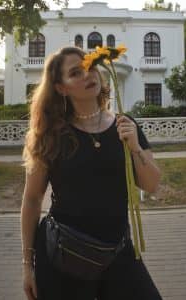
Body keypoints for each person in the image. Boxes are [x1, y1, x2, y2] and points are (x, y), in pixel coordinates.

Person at [21, 46, 163, 300]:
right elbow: (32, 199)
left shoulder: (125, 125)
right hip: (64, 256)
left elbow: (152, 185)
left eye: (90, 67)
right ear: (61, 87)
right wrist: (27, 266)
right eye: (76, 73)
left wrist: (135, 148)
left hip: (118, 251)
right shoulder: (51, 135)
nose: (88, 75)